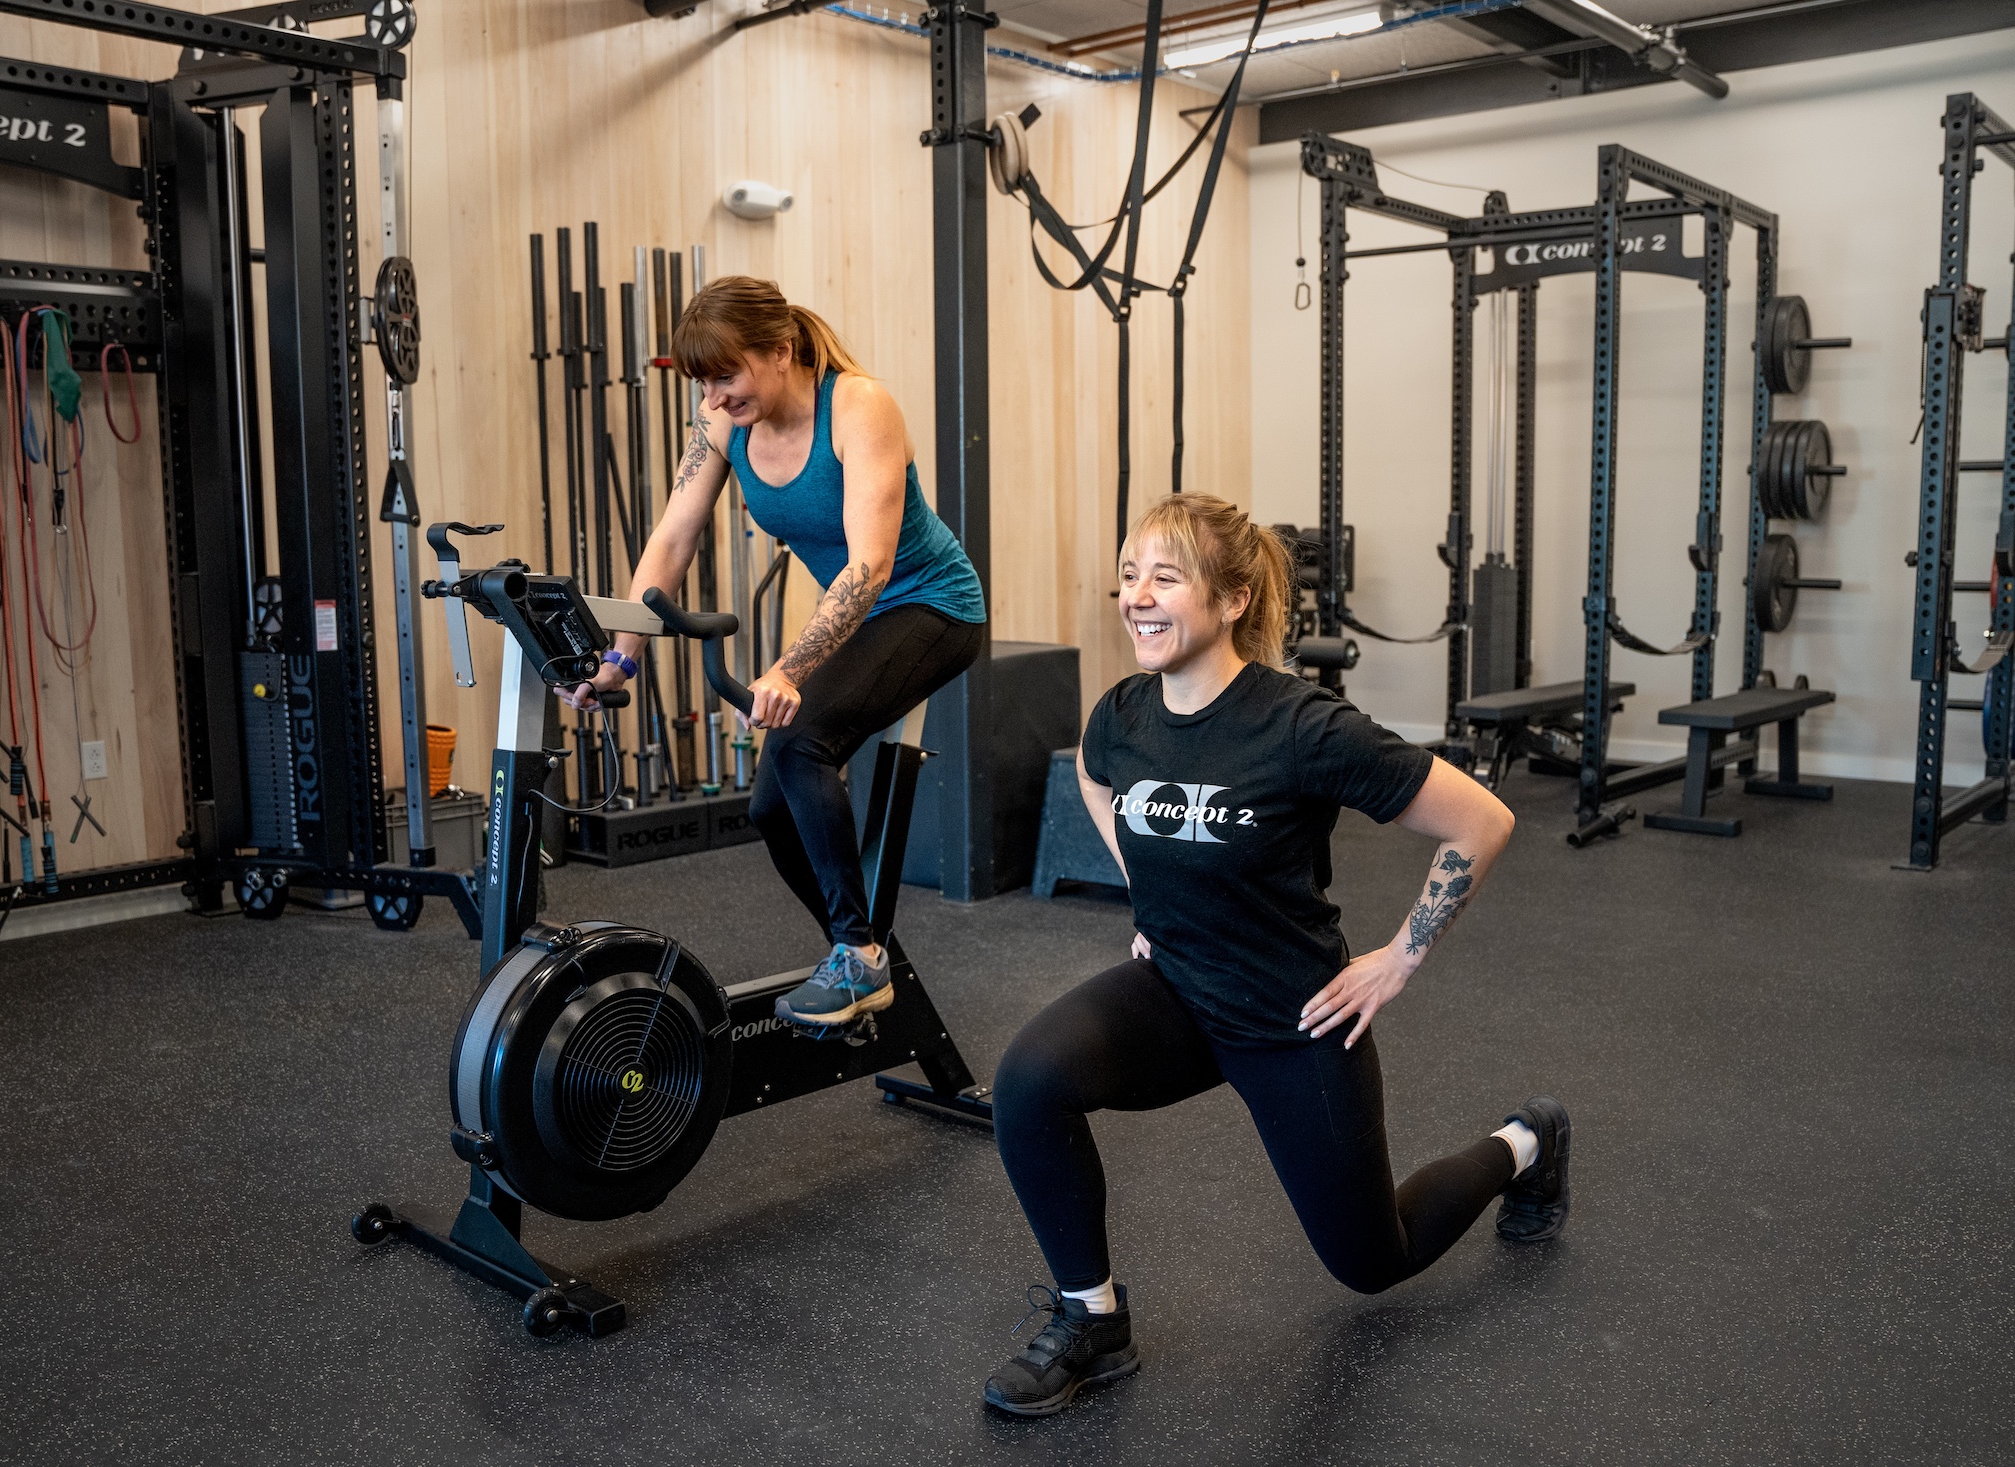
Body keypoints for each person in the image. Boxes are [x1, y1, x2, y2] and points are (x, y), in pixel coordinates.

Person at [981, 493, 1570, 1418]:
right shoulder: (1123, 712)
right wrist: (1148, 888)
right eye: (1130, 574)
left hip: (1294, 1018)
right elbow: (1098, 780)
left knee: (1374, 1261)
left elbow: (1481, 820)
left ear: (1232, 600)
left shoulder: (1303, 726)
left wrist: (1396, 958)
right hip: (1174, 992)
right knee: (1028, 1079)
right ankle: (1091, 1317)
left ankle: (1526, 1140)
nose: (1137, 596)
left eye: (1165, 578)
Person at [566, 277, 986, 1024]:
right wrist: (619, 656)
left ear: (782, 351)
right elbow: (672, 538)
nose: (715, 398)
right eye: (703, 382)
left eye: (727, 375)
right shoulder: (722, 425)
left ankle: (857, 957)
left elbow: (870, 567)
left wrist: (791, 668)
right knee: (770, 808)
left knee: (798, 747)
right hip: (861, 614)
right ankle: (859, 954)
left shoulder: (859, 407)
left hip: (932, 605)